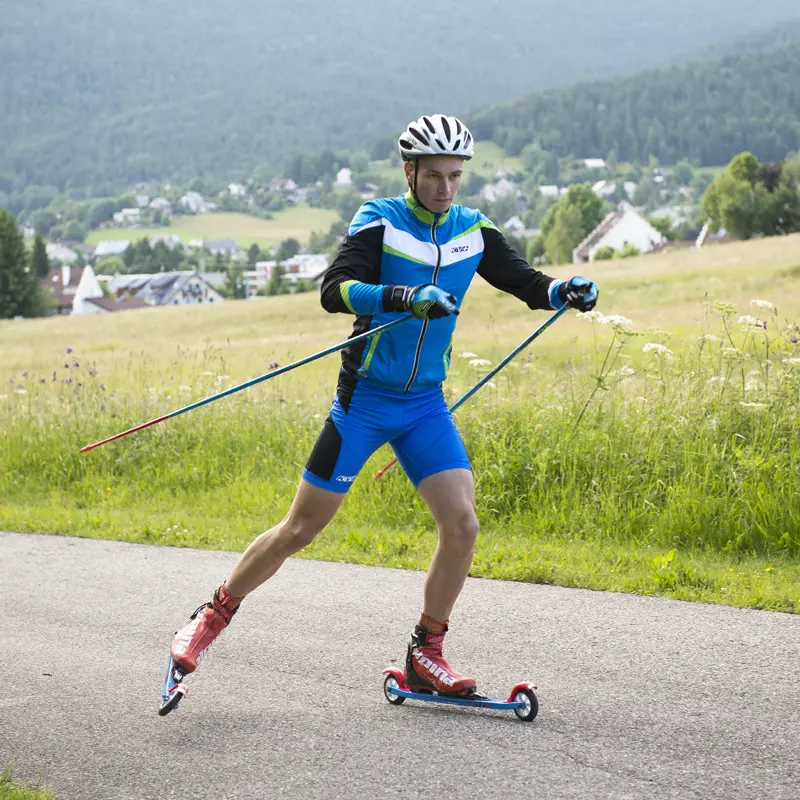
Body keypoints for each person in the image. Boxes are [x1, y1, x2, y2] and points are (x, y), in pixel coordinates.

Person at [169, 114, 598, 697]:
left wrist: (562, 291)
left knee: (463, 524)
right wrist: (403, 295)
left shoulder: (473, 229)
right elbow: (334, 289)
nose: (446, 188)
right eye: (435, 176)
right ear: (410, 171)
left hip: (425, 405)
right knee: (300, 529)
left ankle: (427, 651)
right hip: (364, 402)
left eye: (456, 176)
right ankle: (210, 617)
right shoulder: (380, 221)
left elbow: (524, 281)